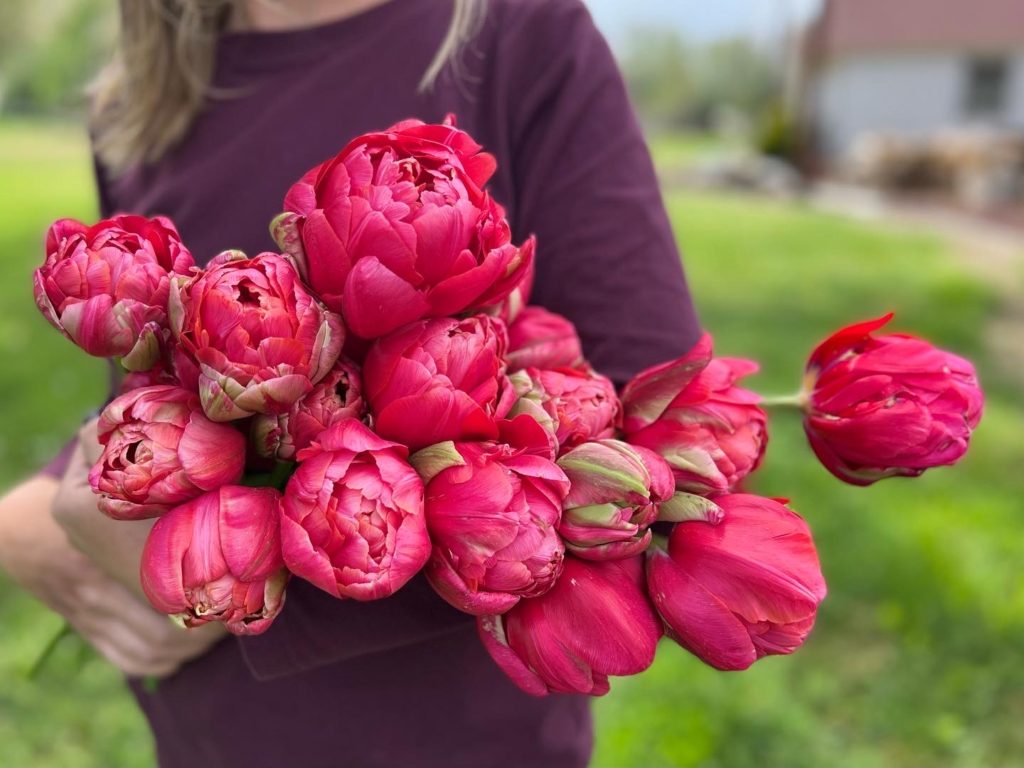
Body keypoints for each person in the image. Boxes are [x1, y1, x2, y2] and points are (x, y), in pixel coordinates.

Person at [0, 0, 701, 765]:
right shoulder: (140, 94)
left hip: (456, 734)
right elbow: (160, 389)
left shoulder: (522, 33)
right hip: (211, 728)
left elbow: (657, 422)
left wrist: (218, 569)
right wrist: (44, 511)